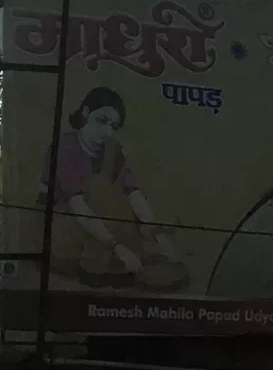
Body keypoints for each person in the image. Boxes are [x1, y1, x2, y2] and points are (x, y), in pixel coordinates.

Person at [50, 87, 187, 290]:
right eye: (101, 121)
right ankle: (97, 266)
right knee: (101, 195)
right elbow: (80, 209)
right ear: (86, 113)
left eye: (113, 126)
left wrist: (159, 235)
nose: (107, 132)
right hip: (61, 230)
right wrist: (118, 247)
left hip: (96, 229)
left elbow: (133, 191)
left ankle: (117, 265)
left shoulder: (111, 150)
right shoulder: (67, 148)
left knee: (122, 205)